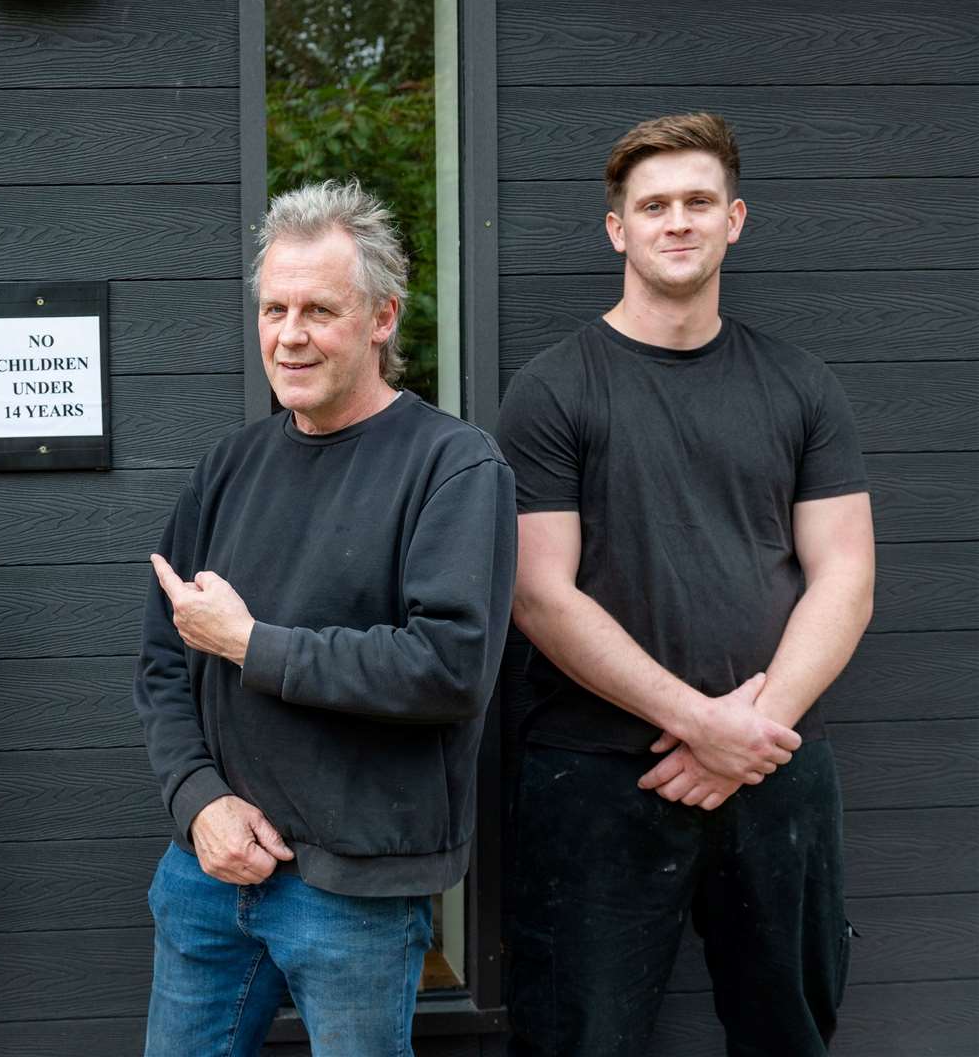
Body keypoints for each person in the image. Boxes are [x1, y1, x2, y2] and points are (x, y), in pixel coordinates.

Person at [497, 113, 875, 1056]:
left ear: (734, 219)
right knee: (582, 1037)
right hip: (591, 774)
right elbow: (539, 595)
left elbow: (846, 574)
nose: (678, 222)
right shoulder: (552, 390)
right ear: (616, 229)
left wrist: (744, 736)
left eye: (698, 202)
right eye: (652, 205)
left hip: (776, 767)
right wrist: (701, 725)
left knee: (790, 1029)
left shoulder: (800, 385)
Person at [133, 181, 517, 1056]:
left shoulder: (453, 467)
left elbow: (448, 666)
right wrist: (198, 803)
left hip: (357, 890)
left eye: (318, 309)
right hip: (210, 869)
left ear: (382, 317)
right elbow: (162, 657)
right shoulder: (229, 466)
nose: (289, 334)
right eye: (274, 308)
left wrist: (250, 644)